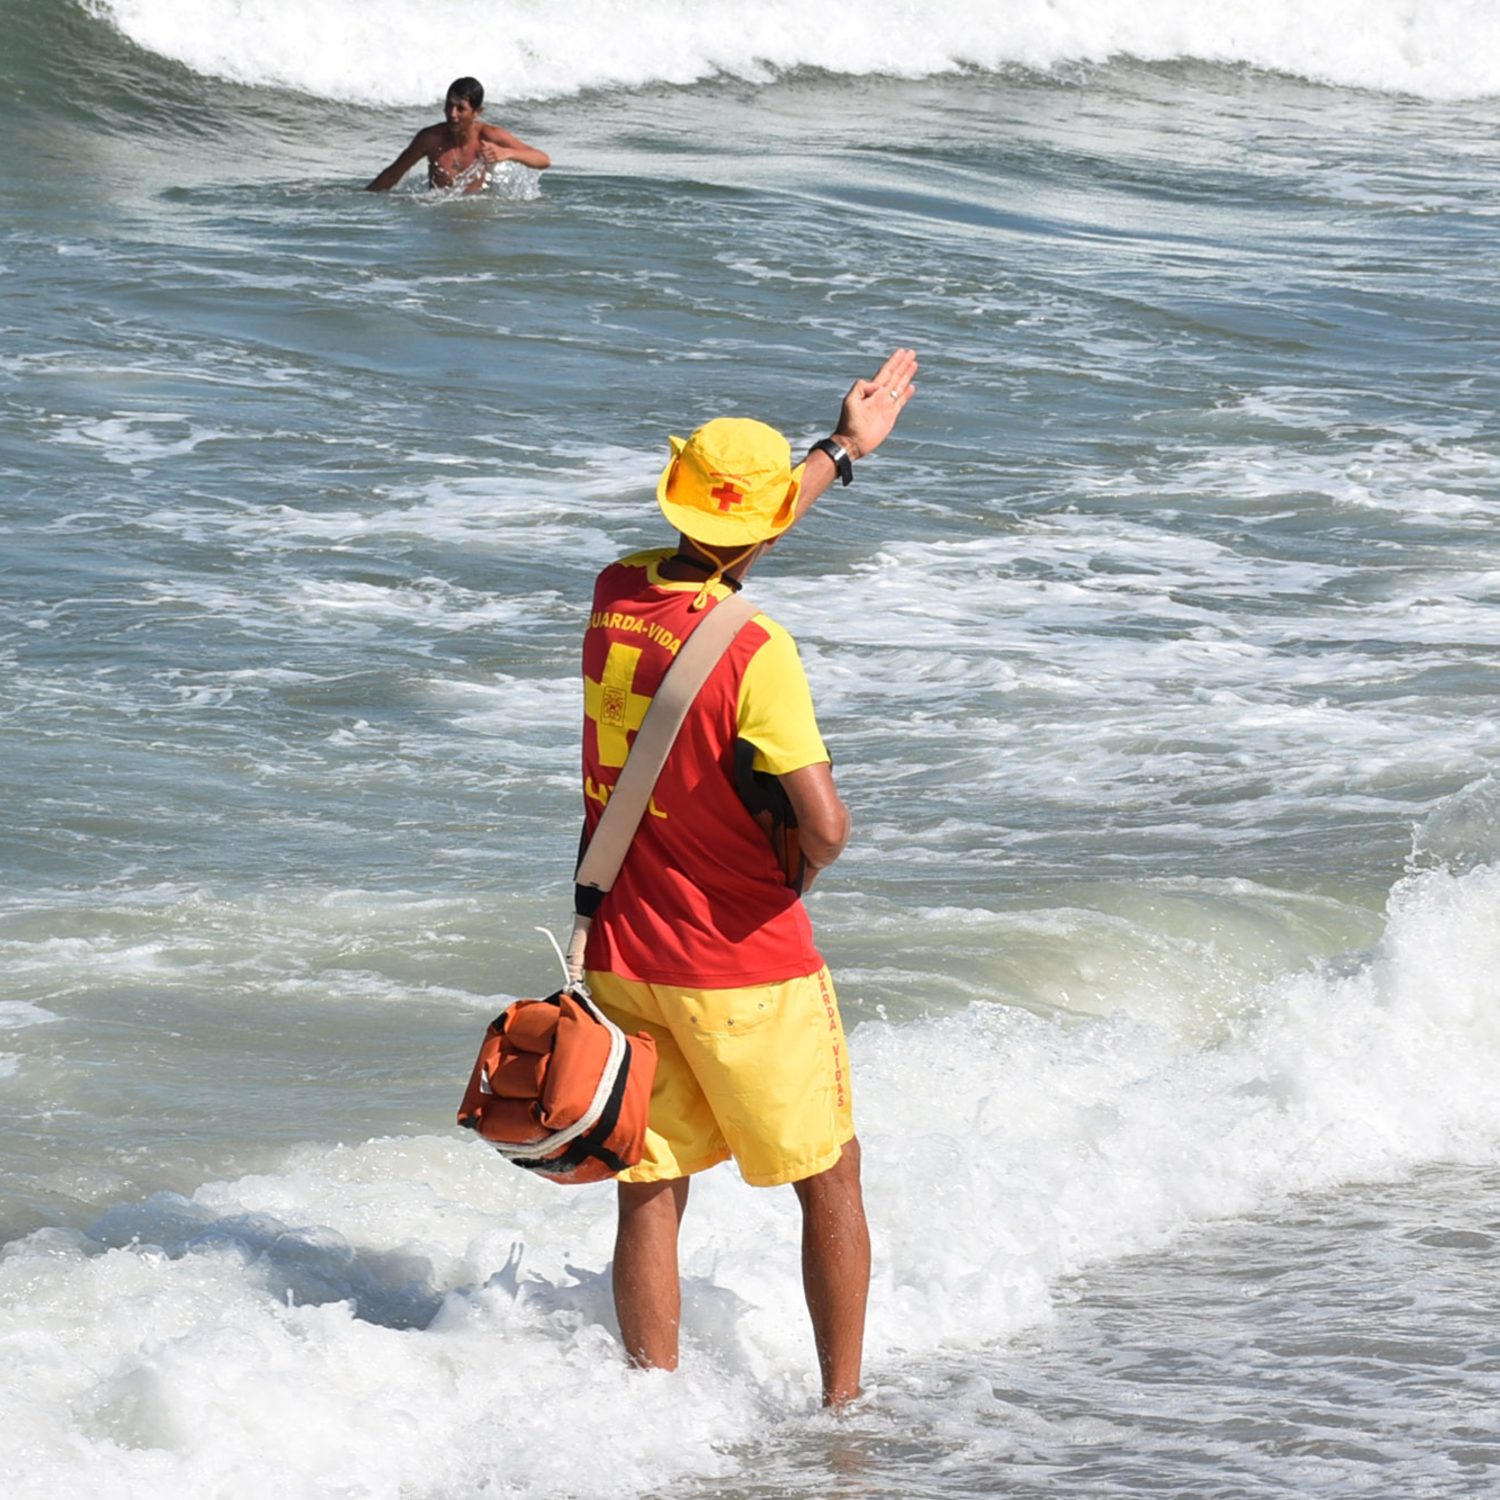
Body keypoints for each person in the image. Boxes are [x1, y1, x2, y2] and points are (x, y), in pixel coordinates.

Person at [579, 349, 918, 1406]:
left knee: (651, 1183)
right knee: (829, 1179)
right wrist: (815, 848)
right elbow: (823, 824)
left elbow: (732, 547)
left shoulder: (617, 592)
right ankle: (842, 1411)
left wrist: (838, 452)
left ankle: (652, 1408)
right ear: (766, 525)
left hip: (625, 944)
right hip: (742, 965)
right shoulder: (756, 649)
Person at [365, 77, 550, 193]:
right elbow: (392, 175)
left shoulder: (488, 136)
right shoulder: (430, 138)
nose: (452, 114)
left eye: (461, 108)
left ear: (477, 111)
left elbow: (543, 160)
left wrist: (508, 153)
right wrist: (361, 201)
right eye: (449, 105)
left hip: (477, 212)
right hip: (438, 213)